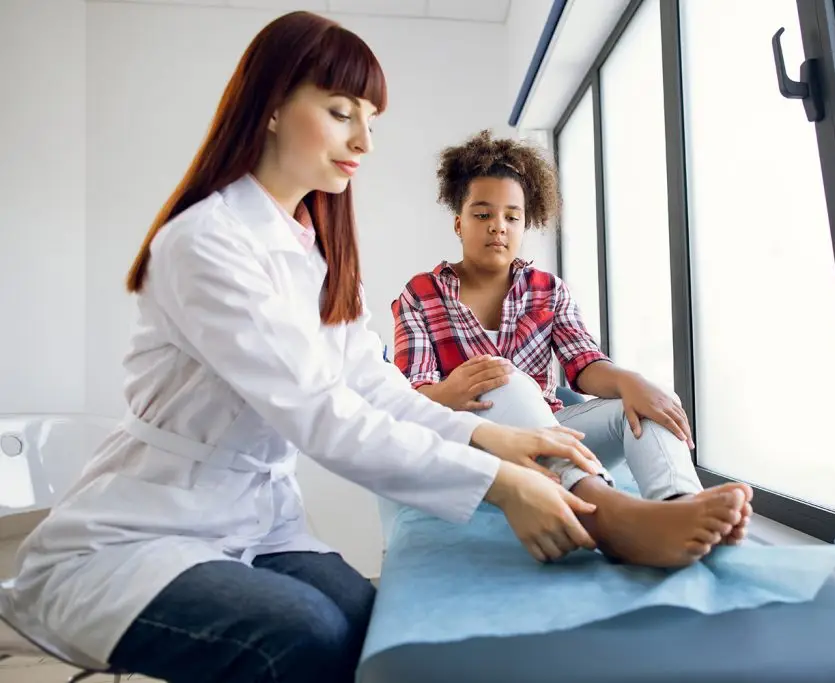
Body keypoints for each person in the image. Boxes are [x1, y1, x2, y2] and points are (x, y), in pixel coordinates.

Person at [0, 15, 609, 683]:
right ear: (269, 107)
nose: (362, 140)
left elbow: (369, 386)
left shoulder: (314, 248)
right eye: (341, 111)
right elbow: (320, 414)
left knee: (370, 623)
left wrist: (488, 438)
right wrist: (498, 482)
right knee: (309, 637)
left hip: (257, 522)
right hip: (145, 531)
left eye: (370, 119)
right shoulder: (206, 243)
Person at [392, 130, 754, 568]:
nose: (497, 227)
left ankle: (676, 504)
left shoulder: (548, 290)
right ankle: (604, 511)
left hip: (550, 430)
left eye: (512, 216)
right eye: (482, 214)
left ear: (526, 225)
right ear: (458, 222)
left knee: (647, 402)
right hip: (475, 446)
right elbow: (407, 397)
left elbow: (584, 366)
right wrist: (450, 393)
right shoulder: (421, 292)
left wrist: (632, 382)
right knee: (506, 378)